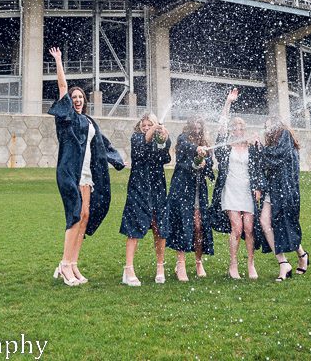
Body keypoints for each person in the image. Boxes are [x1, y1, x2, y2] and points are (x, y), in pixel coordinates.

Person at [47, 46, 125, 286]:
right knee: (74, 216)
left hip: (88, 174)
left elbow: (102, 144)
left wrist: (117, 159)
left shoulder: (89, 121)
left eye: (81, 97)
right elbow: (62, 88)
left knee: (85, 215)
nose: (78, 100)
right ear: (69, 101)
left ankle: (73, 263)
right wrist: (59, 61)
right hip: (70, 171)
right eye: (74, 97)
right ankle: (64, 264)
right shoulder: (66, 118)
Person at [209, 88, 262, 279]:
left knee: (249, 228)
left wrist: (258, 187)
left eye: (241, 128)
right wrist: (228, 102)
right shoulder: (224, 147)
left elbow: (258, 168)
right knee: (237, 228)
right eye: (235, 128)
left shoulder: (252, 147)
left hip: (247, 191)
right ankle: (233, 264)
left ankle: (250, 263)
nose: (238, 131)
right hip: (230, 190)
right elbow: (221, 125)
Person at [120, 113, 171, 286]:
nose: (147, 127)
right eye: (145, 124)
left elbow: (165, 157)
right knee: (134, 227)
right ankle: (128, 269)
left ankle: (160, 266)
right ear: (140, 126)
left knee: (159, 227)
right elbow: (143, 144)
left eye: (151, 124)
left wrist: (164, 140)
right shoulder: (136, 138)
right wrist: (156, 128)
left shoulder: (158, 139)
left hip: (157, 186)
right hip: (139, 186)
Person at [257, 116, 309, 281]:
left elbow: (277, 156)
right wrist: (260, 148)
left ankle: (302, 254)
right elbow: (267, 163)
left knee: (285, 225)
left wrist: (261, 149)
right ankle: (284, 263)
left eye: (269, 126)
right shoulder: (273, 143)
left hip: (285, 190)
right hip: (272, 189)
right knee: (265, 222)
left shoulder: (285, 134)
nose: (267, 130)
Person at [165, 116, 215, 281]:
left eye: (199, 126)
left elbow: (209, 164)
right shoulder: (183, 139)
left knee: (198, 226)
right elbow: (184, 155)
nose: (197, 129)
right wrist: (196, 155)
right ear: (190, 126)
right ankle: (181, 264)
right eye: (194, 126)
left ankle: (198, 261)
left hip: (199, 191)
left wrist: (204, 164)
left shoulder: (206, 143)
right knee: (183, 224)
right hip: (182, 189)